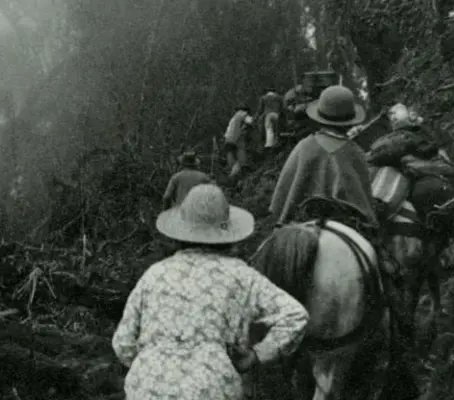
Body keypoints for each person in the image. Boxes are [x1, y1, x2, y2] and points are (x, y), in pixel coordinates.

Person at [113, 183, 309, 400]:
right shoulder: (242, 276)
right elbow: (295, 316)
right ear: (228, 233)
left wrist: (155, 365)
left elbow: (123, 343)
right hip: (211, 388)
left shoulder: (154, 273)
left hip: (146, 387)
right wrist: (257, 355)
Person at [269, 85, 378, 233]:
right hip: (348, 223)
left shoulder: (305, 147)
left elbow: (284, 192)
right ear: (351, 122)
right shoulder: (355, 152)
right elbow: (364, 200)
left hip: (301, 221)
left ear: (319, 118)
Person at [222, 106, 254, 177]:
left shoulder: (233, 118)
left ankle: (232, 170)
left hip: (228, 138)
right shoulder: (243, 114)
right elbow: (250, 121)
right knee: (241, 150)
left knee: (230, 154)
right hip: (237, 138)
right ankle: (242, 166)